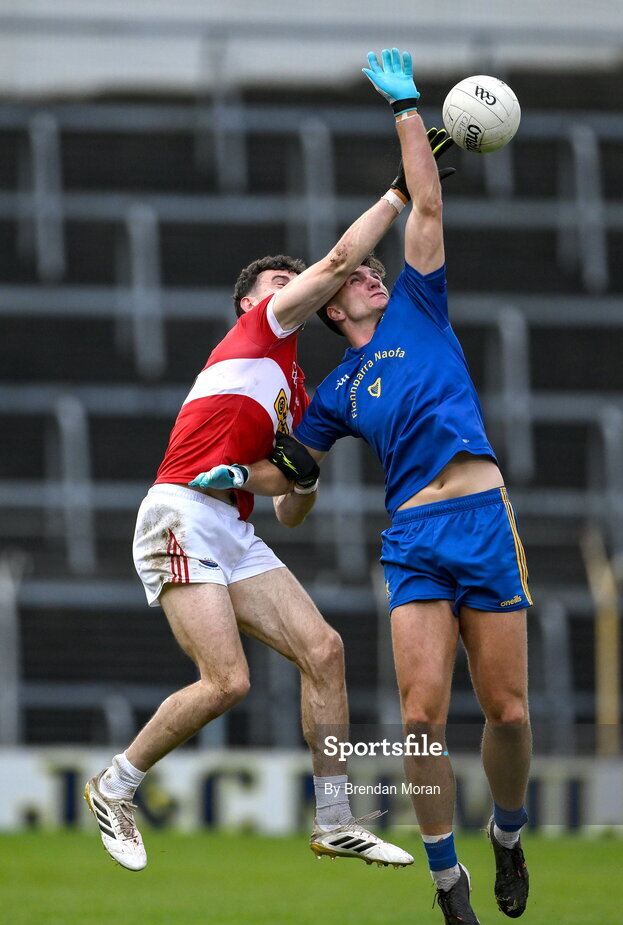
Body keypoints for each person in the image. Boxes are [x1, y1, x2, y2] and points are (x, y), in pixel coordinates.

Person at [83, 126, 421, 873]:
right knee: (227, 680)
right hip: (177, 512)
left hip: (231, 528)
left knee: (324, 649)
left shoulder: (295, 388)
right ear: (249, 301)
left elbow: (288, 509)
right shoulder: (259, 329)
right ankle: (116, 782)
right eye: (280, 281)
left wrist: (295, 476)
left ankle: (335, 819)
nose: (296, 287)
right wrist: (400, 191)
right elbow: (338, 260)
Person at [288, 49, 533, 925]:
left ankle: (506, 833)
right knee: (422, 718)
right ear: (335, 304)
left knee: (505, 712)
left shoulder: (420, 307)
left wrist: (405, 105)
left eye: (372, 269)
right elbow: (290, 494)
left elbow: (425, 204)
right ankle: (447, 876)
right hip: (415, 539)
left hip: (480, 515)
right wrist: (262, 473)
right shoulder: (339, 389)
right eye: (356, 274)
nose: (372, 273)